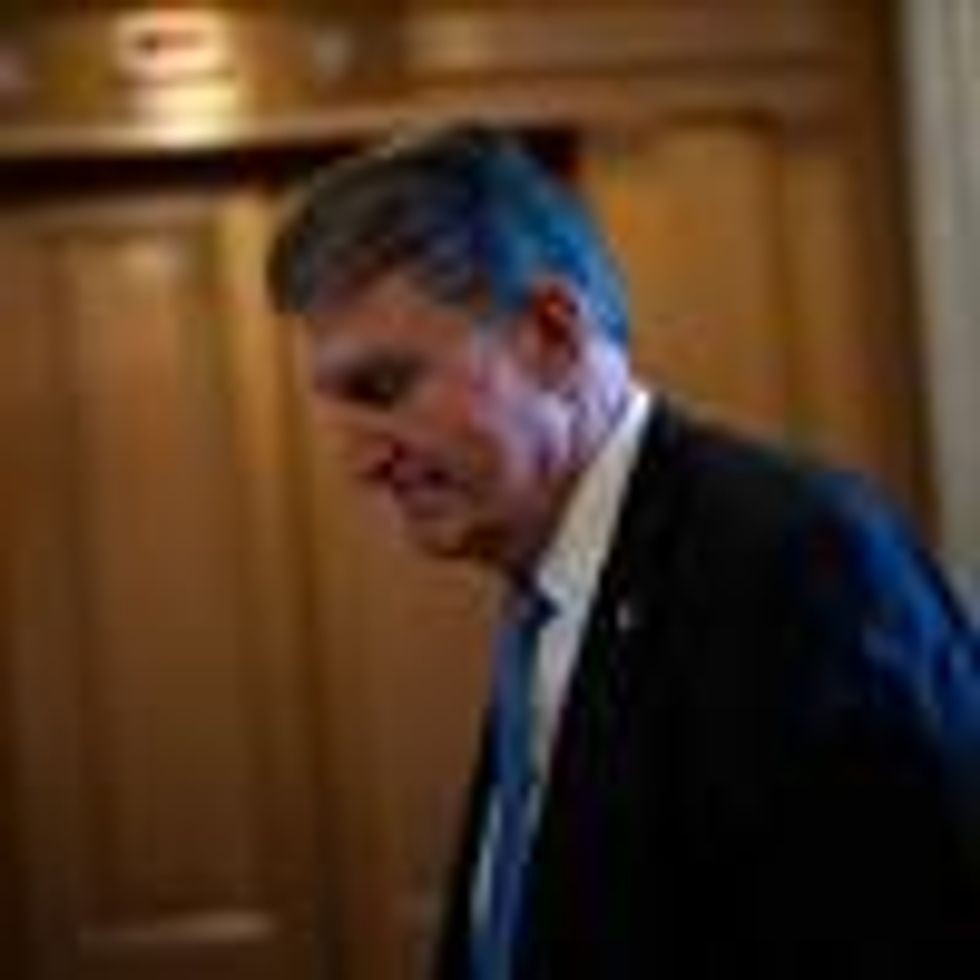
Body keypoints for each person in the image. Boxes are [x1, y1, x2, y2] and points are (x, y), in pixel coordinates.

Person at [266, 123, 980, 978]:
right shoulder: (551, 584)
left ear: (554, 334)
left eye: (384, 389)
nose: (360, 462)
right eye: (340, 405)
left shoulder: (793, 562)